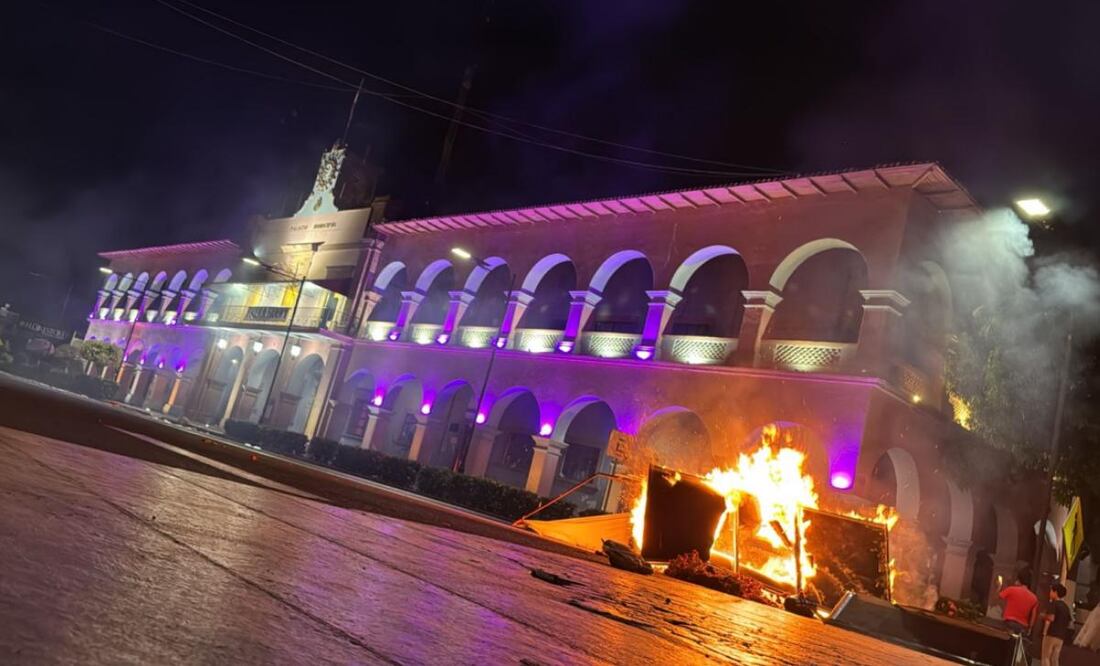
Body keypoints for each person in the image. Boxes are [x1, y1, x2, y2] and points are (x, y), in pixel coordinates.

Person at [998, 569, 1038, 635]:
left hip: (1009, 623)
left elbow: (997, 598)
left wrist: (999, 587)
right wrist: (1030, 628)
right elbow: (1033, 616)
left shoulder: (1011, 590)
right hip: (1023, 626)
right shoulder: (1034, 598)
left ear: (1018, 580)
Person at [1042, 583, 1072, 666]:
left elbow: (1051, 618)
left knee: (1046, 657)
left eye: (1051, 591)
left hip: (1051, 634)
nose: (1050, 593)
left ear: (1055, 592)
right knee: (1054, 659)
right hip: (1061, 637)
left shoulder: (1054, 604)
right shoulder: (1066, 607)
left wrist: (1043, 616)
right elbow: (1069, 622)